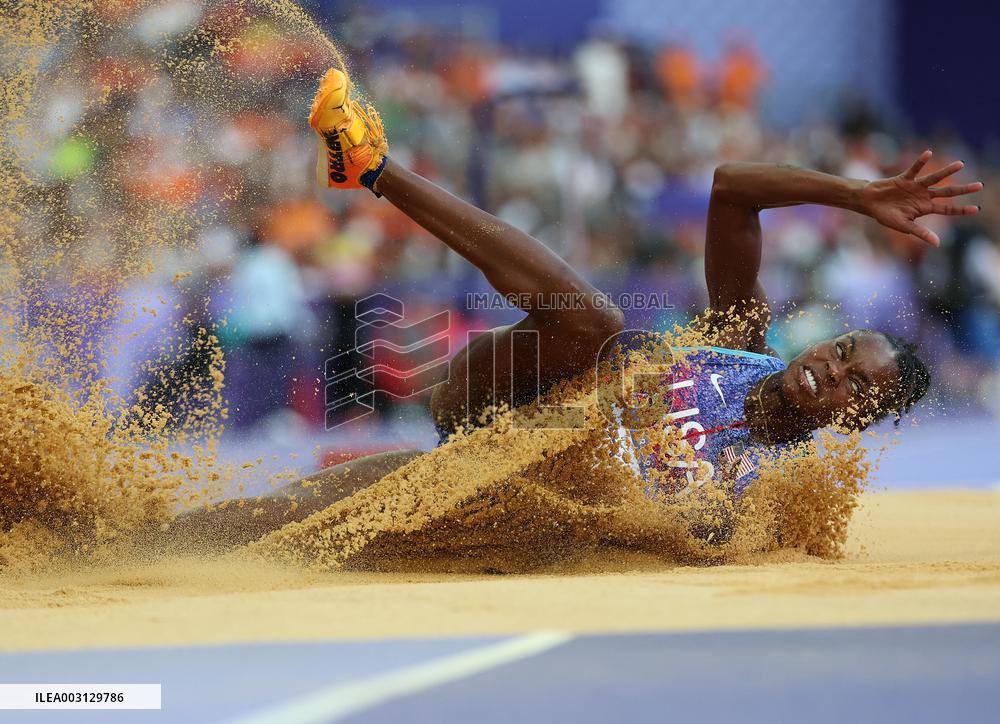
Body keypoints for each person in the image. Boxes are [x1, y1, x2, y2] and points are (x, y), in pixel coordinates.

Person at [165, 68, 982, 549]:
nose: (829, 370)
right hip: (497, 404)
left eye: (853, 384)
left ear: (855, 420)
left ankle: (121, 535)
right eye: (841, 350)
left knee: (270, 527)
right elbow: (732, 187)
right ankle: (370, 166)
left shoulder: (769, 497)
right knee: (597, 325)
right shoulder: (741, 339)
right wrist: (855, 193)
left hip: (498, 495)